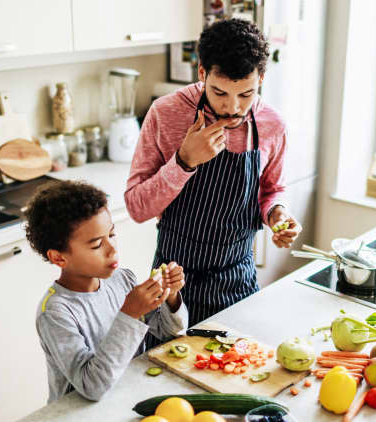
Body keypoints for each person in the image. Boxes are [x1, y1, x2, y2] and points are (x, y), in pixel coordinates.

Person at [125, 19, 301, 329]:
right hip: (172, 285)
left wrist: (277, 214)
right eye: (220, 93)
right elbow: (137, 208)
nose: (232, 108)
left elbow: (272, 190)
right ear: (202, 72)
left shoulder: (273, 124)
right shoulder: (166, 114)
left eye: (246, 94)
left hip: (237, 281)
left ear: (261, 77)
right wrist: (183, 162)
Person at [25, 180, 188, 402]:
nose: (112, 250)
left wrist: (171, 297)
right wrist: (129, 314)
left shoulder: (122, 280)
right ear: (59, 257)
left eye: (111, 235)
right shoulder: (55, 313)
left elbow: (170, 334)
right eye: (96, 245)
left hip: (127, 399)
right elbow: (92, 386)